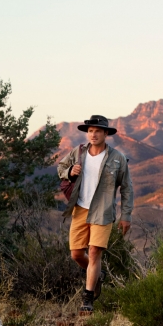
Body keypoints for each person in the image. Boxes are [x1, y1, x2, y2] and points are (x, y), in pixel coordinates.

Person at [57, 115, 133, 315]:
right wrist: (70, 172)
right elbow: (61, 168)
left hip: (103, 210)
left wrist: (126, 215)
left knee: (94, 252)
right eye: (90, 130)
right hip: (80, 208)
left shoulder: (117, 158)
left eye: (98, 131)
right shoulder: (78, 152)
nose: (93, 134)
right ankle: (97, 275)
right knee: (76, 254)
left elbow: (127, 189)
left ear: (106, 134)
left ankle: (88, 299)